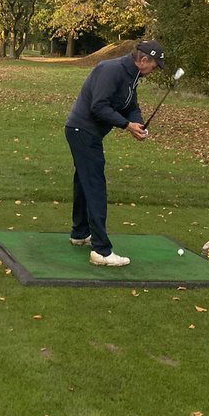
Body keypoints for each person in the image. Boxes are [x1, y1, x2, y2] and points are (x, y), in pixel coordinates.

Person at [64, 40, 164, 267]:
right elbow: (99, 106)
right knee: (95, 185)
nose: (154, 69)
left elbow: (130, 105)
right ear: (144, 60)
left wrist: (136, 124)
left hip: (87, 133)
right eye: (155, 65)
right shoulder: (111, 70)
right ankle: (101, 251)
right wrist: (126, 126)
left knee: (84, 180)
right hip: (82, 131)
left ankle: (80, 233)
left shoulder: (133, 76)